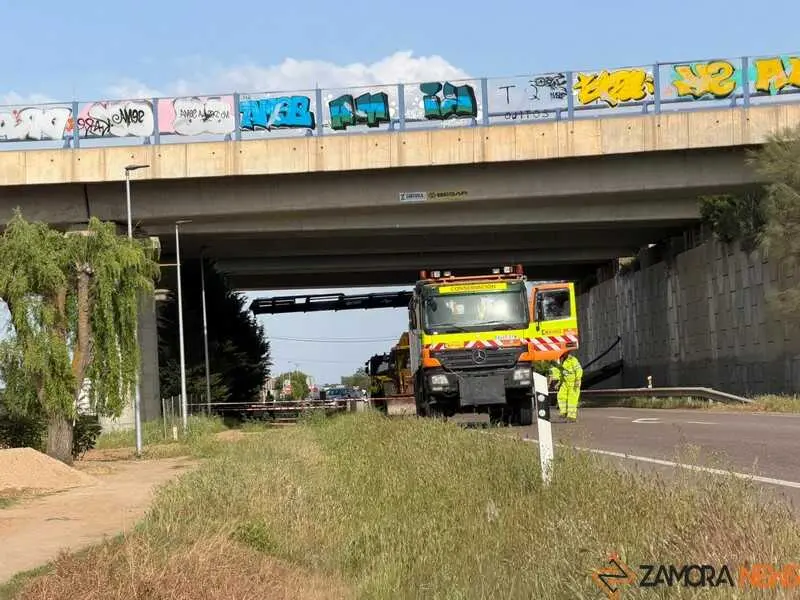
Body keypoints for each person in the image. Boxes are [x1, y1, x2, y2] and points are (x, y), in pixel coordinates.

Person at [549, 351, 583, 422]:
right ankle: (564, 412)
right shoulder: (562, 361)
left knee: (572, 399)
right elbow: (563, 373)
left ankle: (571, 417)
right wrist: (559, 383)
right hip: (565, 382)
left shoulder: (573, 360)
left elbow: (579, 370)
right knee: (560, 396)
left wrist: (577, 379)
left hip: (573, 383)